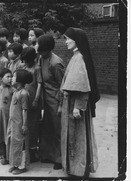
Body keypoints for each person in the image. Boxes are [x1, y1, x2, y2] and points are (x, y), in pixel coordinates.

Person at [60, 27, 100, 177]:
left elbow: (83, 87)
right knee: (72, 136)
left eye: (67, 39)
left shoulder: (80, 58)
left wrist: (78, 107)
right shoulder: (75, 56)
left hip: (76, 105)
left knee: (77, 136)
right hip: (70, 103)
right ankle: (73, 167)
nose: (66, 42)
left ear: (76, 40)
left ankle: (79, 169)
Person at [37, 34, 65, 170]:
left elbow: (63, 86)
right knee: (47, 128)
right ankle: (47, 154)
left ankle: (59, 158)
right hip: (46, 100)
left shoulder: (56, 63)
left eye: (42, 49)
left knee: (57, 129)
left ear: (48, 49)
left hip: (56, 100)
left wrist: (60, 105)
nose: (40, 52)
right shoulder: (41, 59)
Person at [6, 69, 32, 175]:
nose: (11, 78)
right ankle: (15, 164)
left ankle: (22, 166)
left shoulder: (24, 93)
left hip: (20, 123)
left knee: (21, 144)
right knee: (14, 143)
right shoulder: (16, 92)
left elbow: (24, 110)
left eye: (14, 76)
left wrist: (24, 125)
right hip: (13, 123)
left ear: (20, 80)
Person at [21, 47, 42, 163]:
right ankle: (26, 149)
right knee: (25, 123)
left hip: (33, 100)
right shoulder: (24, 67)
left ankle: (33, 151)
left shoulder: (37, 68)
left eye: (28, 60)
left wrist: (36, 100)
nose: (26, 62)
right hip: (25, 99)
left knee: (33, 126)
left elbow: (39, 84)